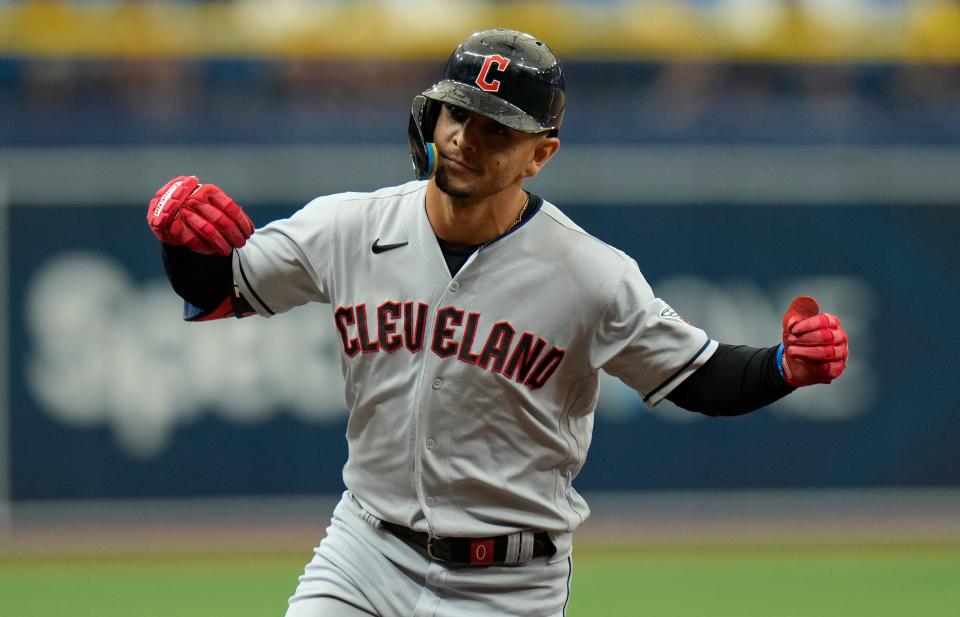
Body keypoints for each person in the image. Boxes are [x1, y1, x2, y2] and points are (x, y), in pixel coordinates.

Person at [147, 29, 848, 617]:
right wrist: (177, 234)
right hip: (364, 550)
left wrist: (785, 367)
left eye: (496, 129)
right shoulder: (350, 226)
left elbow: (697, 376)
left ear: (540, 154)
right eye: (457, 115)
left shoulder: (588, 274)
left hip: (508, 583)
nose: (464, 140)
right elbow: (218, 290)